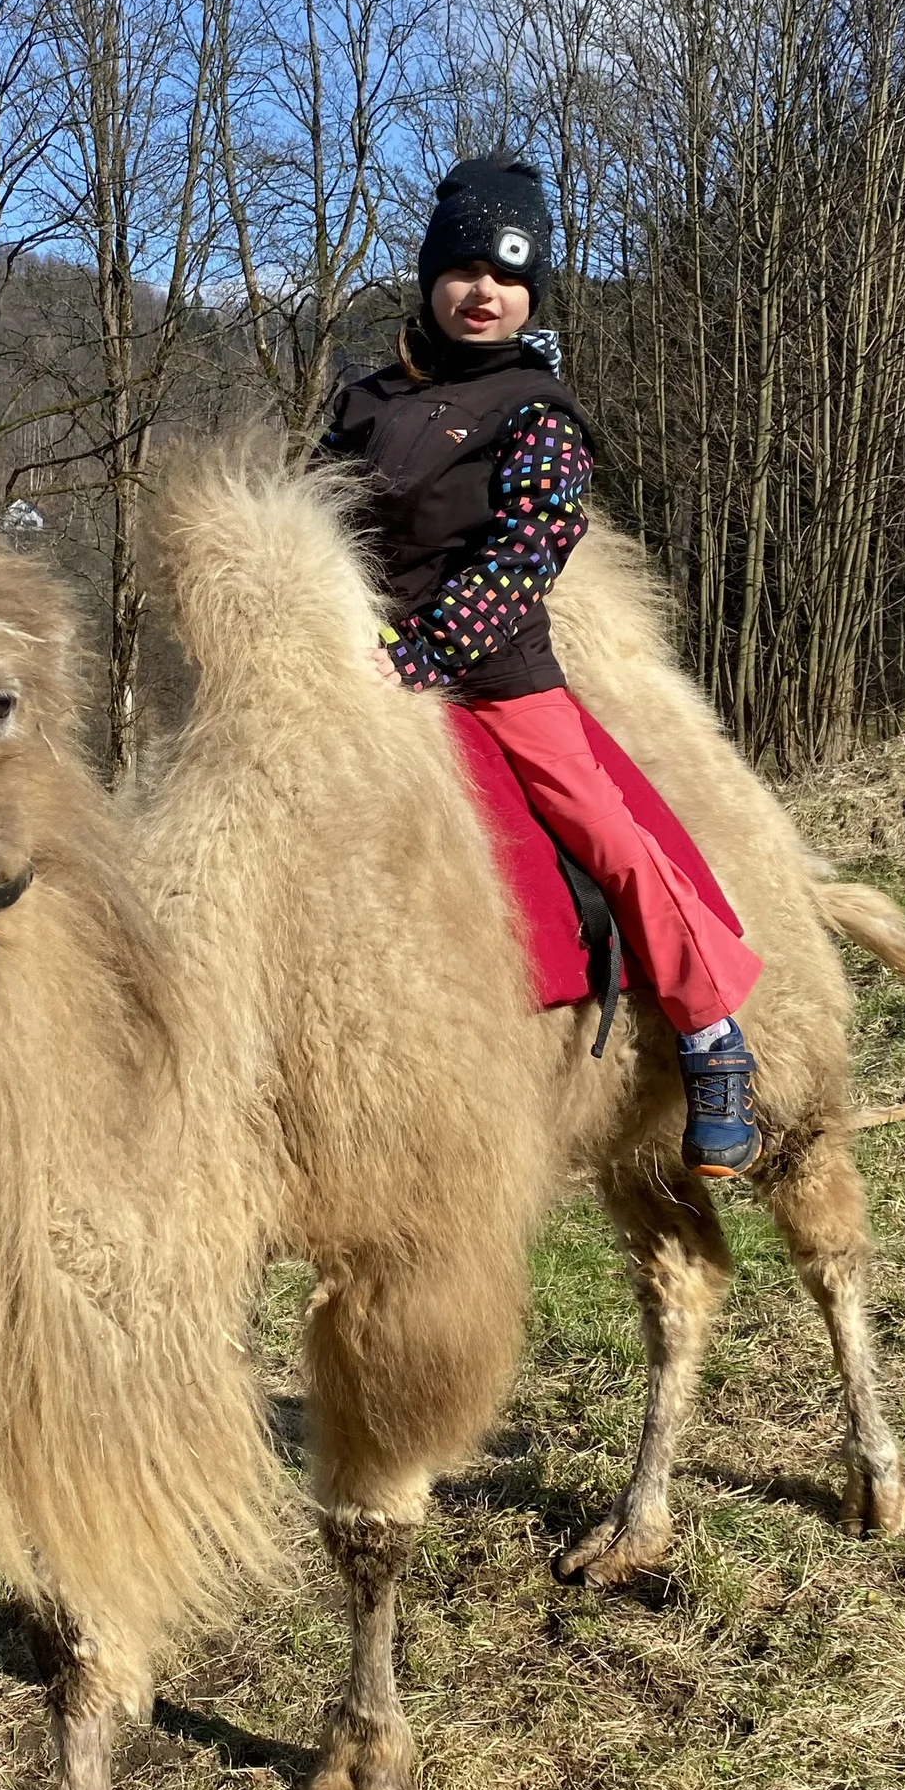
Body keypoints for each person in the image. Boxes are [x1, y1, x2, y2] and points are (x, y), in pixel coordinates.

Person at [316, 153, 763, 1176]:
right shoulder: (362, 401)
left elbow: (526, 554)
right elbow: (312, 520)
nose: (484, 291)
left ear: (531, 294)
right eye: (466, 268)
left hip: (492, 674)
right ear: (431, 274)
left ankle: (707, 1036)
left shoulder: (537, 413)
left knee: (608, 833)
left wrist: (428, 653)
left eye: (509, 276)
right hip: (356, 668)